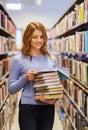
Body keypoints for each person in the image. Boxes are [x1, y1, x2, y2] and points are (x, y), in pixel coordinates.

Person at [8, 21, 59, 130]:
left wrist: (54, 100)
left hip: (48, 108)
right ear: (27, 38)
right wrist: (25, 78)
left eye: (42, 37)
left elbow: (57, 87)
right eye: (35, 37)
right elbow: (11, 89)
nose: (39, 40)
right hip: (28, 109)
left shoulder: (52, 59)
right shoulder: (18, 60)